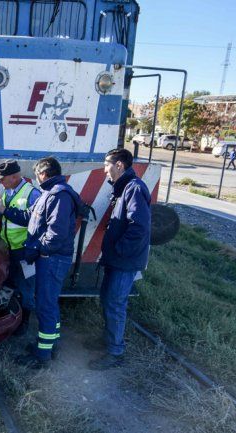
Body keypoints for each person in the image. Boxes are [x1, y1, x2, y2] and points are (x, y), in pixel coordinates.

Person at [16, 156, 82, 369]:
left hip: (52, 259)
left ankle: (42, 355)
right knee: (49, 302)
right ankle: (50, 343)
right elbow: (33, 217)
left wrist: (41, 250)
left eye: (37, 175)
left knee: (45, 304)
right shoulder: (50, 193)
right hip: (50, 258)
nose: (36, 179)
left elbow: (56, 233)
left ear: (44, 174)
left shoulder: (58, 195)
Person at [89, 148, 151, 370]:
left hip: (124, 261)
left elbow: (140, 227)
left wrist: (121, 250)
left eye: (107, 164)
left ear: (119, 165)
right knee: (108, 300)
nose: (104, 169)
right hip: (117, 259)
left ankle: (115, 352)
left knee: (115, 304)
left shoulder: (134, 189)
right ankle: (108, 341)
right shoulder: (124, 188)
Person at [0, 160, 41, 336]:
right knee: (9, 284)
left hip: (25, 252)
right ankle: (9, 318)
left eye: (2, 179)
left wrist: (4, 211)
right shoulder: (7, 191)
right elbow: (6, 215)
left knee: (26, 288)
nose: (0, 182)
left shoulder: (32, 194)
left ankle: (24, 322)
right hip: (7, 250)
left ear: (15, 176)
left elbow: (33, 220)